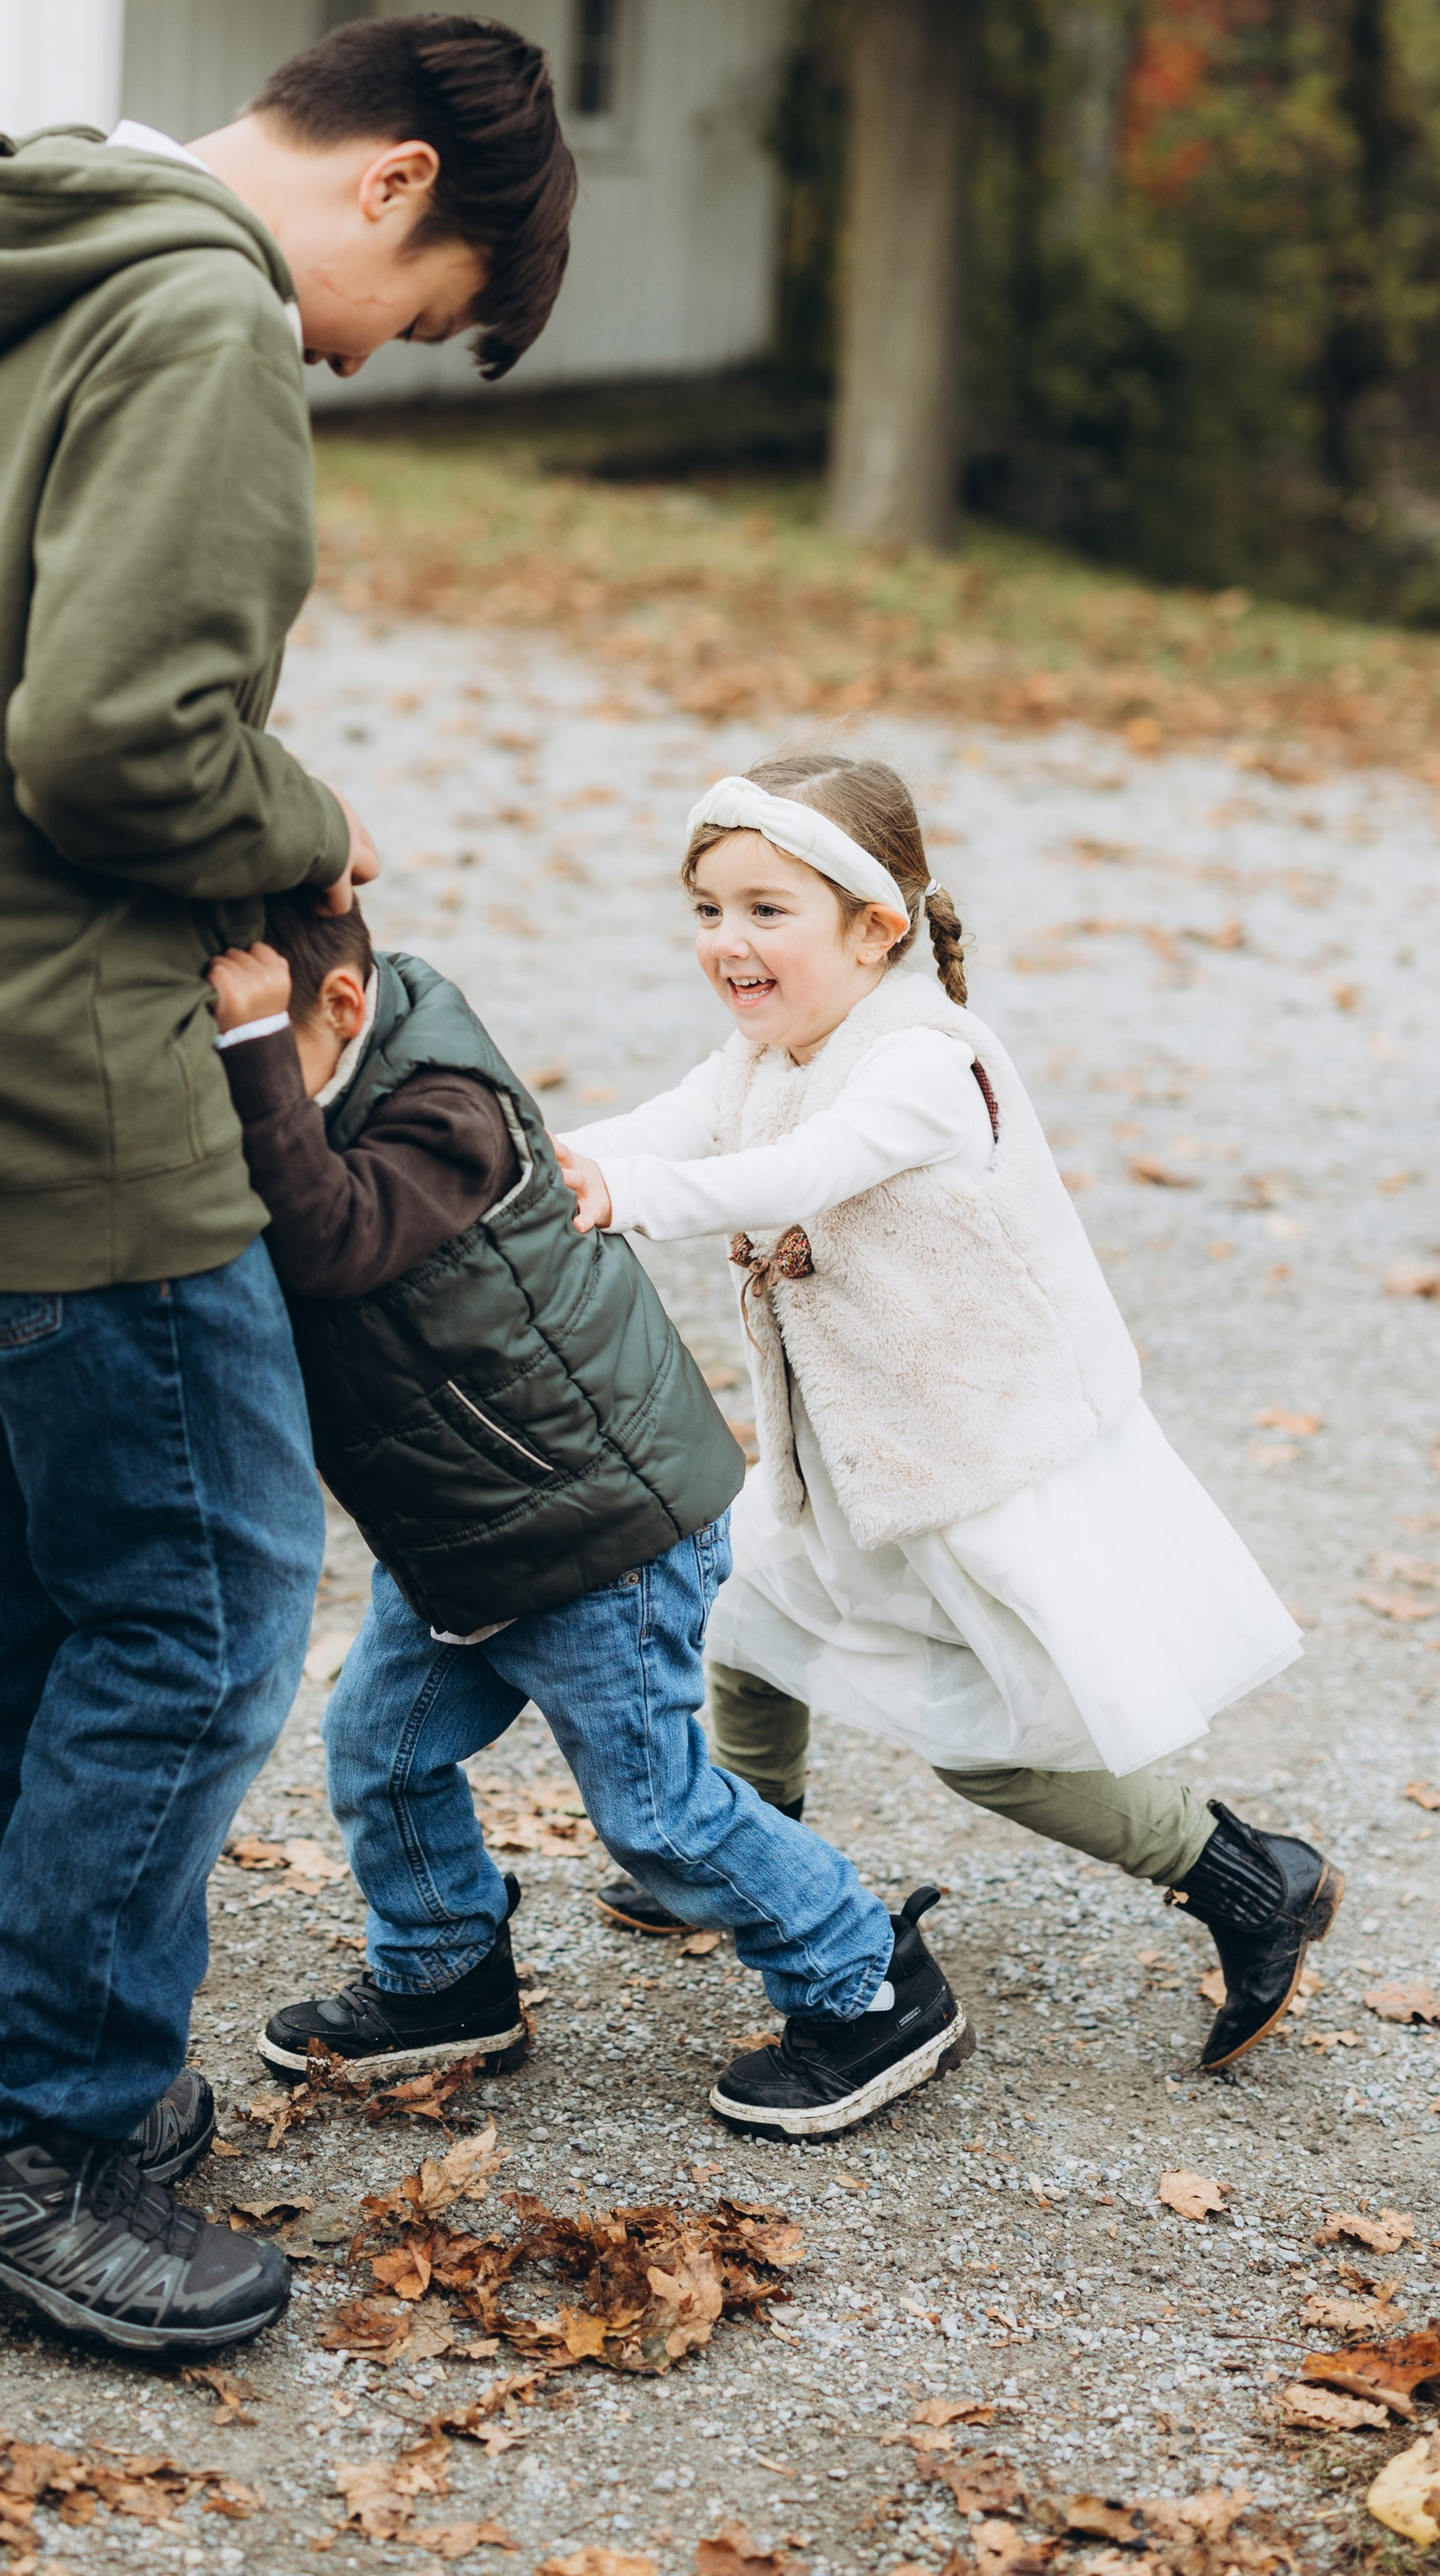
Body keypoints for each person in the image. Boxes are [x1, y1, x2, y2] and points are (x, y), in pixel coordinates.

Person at [0, 15, 577, 2359]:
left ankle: (10, 2079)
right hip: (36, 1066)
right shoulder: (202, 309)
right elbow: (118, 747)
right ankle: (3, 2138)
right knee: (197, 1619)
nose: (364, 352)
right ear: (397, 181)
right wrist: (313, 832)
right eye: (420, 313)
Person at [555, 754, 1342, 2077]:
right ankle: (748, 1849)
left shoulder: (924, 1059)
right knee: (741, 1620)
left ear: (876, 926)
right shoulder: (767, 1046)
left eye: (765, 910)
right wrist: (542, 1160)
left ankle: (1251, 1879)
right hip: (855, 1457)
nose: (728, 943)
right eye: (707, 911)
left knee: (995, 1749)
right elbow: (670, 1125)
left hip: (974, 1467)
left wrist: (620, 1203)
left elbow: (797, 1170)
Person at [203, 890, 972, 2141]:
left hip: (591, 1532)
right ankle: (446, 1970)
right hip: (458, 1533)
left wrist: (247, 1061)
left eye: (251, 1053)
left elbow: (326, 1242)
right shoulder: (330, 1068)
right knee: (380, 1752)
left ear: (338, 1009)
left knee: (658, 1813)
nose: (240, 1097)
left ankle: (868, 1980)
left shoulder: (443, 1111)